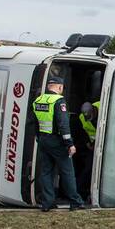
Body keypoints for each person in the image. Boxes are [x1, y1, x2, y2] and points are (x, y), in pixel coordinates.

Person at [32, 76, 85, 211]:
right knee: (67, 171)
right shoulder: (58, 101)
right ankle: (75, 201)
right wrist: (69, 144)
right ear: (59, 87)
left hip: (43, 140)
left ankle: (47, 203)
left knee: (45, 172)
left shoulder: (38, 100)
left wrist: (39, 138)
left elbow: (34, 122)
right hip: (57, 141)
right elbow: (63, 124)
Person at [73, 100, 100, 203]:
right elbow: (82, 132)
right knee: (88, 169)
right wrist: (88, 143)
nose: (88, 119)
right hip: (93, 146)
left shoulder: (103, 106)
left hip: (105, 145)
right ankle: (80, 193)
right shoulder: (82, 118)